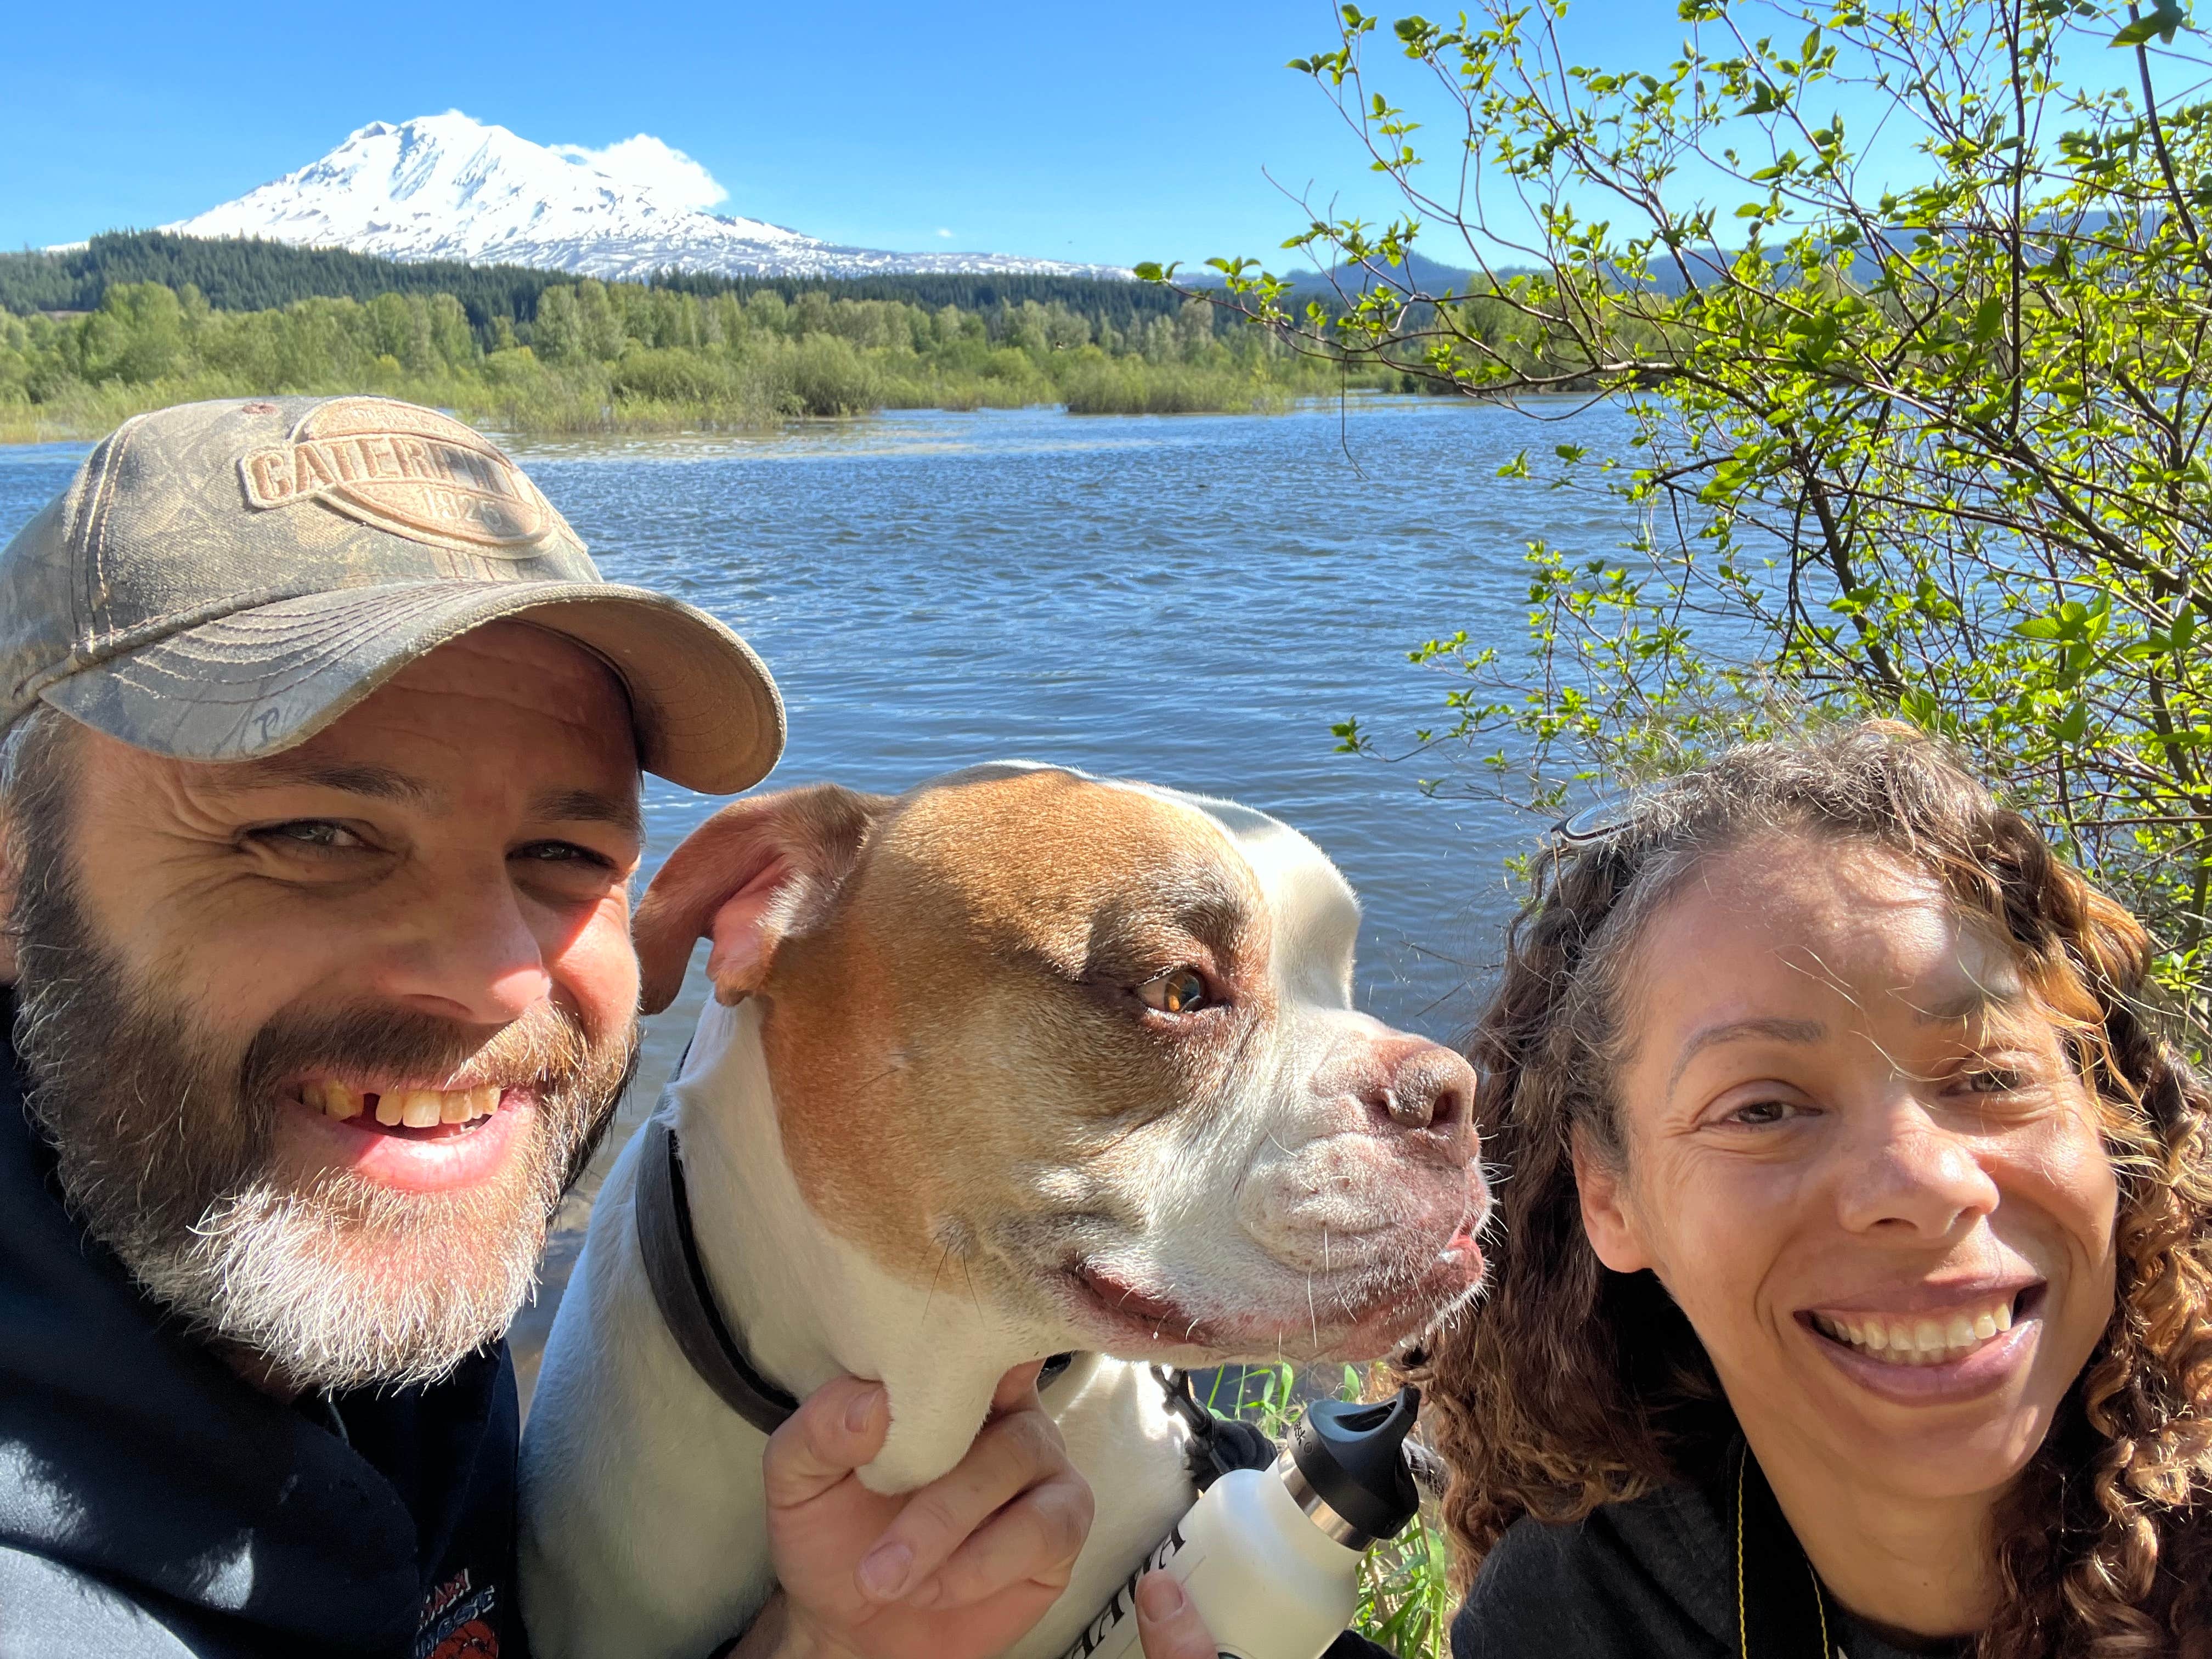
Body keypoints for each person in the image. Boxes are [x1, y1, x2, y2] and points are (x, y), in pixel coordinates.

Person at [0, 396, 1092, 1659]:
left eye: (565, 852)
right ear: (18, 879)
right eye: (313, 834)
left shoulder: (317, 1247)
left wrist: (829, 1641)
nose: (497, 980)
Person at [1138, 722, 2212, 1659]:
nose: (1926, 1184)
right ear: (1611, 1197)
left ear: (2108, 1119)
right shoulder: (1586, 1615)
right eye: (1763, 1108)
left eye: (1990, 1078)